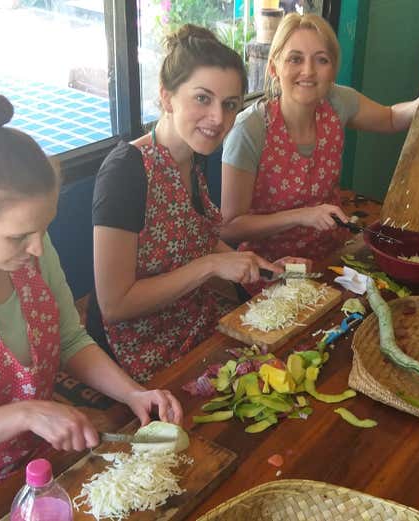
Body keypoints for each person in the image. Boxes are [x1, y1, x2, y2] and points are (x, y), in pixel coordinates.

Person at [0, 81, 182, 521]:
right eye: (19, 235)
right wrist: (24, 414)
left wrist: (135, 393)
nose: (38, 248)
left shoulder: (28, 253)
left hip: (33, 470)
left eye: (44, 228)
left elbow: (69, 339)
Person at [90, 25, 282, 384]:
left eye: (229, 105)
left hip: (193, 318)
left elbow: (194, 235)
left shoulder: (194, 157)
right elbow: (114, 305)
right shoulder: (124, 172)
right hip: (137, 347)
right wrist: (211, 266)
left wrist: (265, 271)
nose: (218, 119)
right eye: (202, 98)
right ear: (166, 97)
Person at [221, 12, 419, 263]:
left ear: (333, 70)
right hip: (270, 270)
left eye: (321, 60)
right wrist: (301, 215)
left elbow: (390, 117)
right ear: (274, 67)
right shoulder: (249, 129)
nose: (308, 71)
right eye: (295, 59)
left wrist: (418, 105)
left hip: (332, 258)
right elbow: (230, 227)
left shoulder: (338, 102)